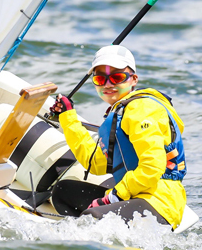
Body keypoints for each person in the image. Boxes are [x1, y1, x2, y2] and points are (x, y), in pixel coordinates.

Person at [49, 45, 187, 230]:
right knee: (63, 192)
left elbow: (152, 166)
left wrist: (113, 197)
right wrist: (67, 116)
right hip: (134, 194)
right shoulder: (121, 112)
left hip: (158, 202)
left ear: (134, 79)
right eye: (100, 79)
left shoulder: (141, 108)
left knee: (91, 219)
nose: (107, 84)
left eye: (117, 77)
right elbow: (95, 163)